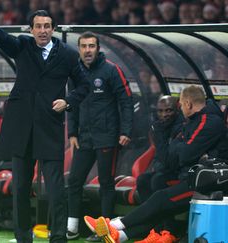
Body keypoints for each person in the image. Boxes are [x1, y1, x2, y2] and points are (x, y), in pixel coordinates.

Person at [0, 4, 88, 242]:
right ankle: (23, 236)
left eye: (47, 26)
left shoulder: (68, 54)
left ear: (53, 28)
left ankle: (58, 236)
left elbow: (84, 85)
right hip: (21, 127)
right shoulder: (22, 45)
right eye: (38, 27)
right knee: (21, 187)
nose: (43, 30)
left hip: (49, 127)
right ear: (31, 29)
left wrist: (67, 101)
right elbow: (1, 37)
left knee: (55, 187)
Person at [84, 86, 228, 243]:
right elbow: (172, 155)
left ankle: (114, 225)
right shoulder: (193, 121)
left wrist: (182, 148)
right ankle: (121, 235)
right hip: (194, 175)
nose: (179, 109)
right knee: (153, 184)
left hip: (211, 181)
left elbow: (185, 154)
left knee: (162, 198)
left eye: (180, 104)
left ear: (188, 103)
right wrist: (179, 145)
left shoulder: (209, 121)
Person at [63, 31, 133, 240]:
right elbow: (72, 102)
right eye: (83, 46)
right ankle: (72, 227)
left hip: (107, 137)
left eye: (91, 46)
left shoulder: (112, 70)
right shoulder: (75, 72)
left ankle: (105, 231)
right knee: (74, 180)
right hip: (84, 137)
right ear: (80, 49)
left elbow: (126, 101)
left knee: (106, 182)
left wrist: (125, 131)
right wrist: (72, 132)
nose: (87, 50)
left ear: (98, 48)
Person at [136, 96, 183, 203]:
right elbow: (159, 156)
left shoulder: (182, 127)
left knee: (157, 180)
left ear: (177, 109)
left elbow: (169, 159)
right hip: (165, 168)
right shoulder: (158, 127)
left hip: (179, 170)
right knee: (142, 179)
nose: (164, 115)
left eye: (168, 110)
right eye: (160, 111)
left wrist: (160, 133)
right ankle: (149, 216)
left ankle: (164, 218)